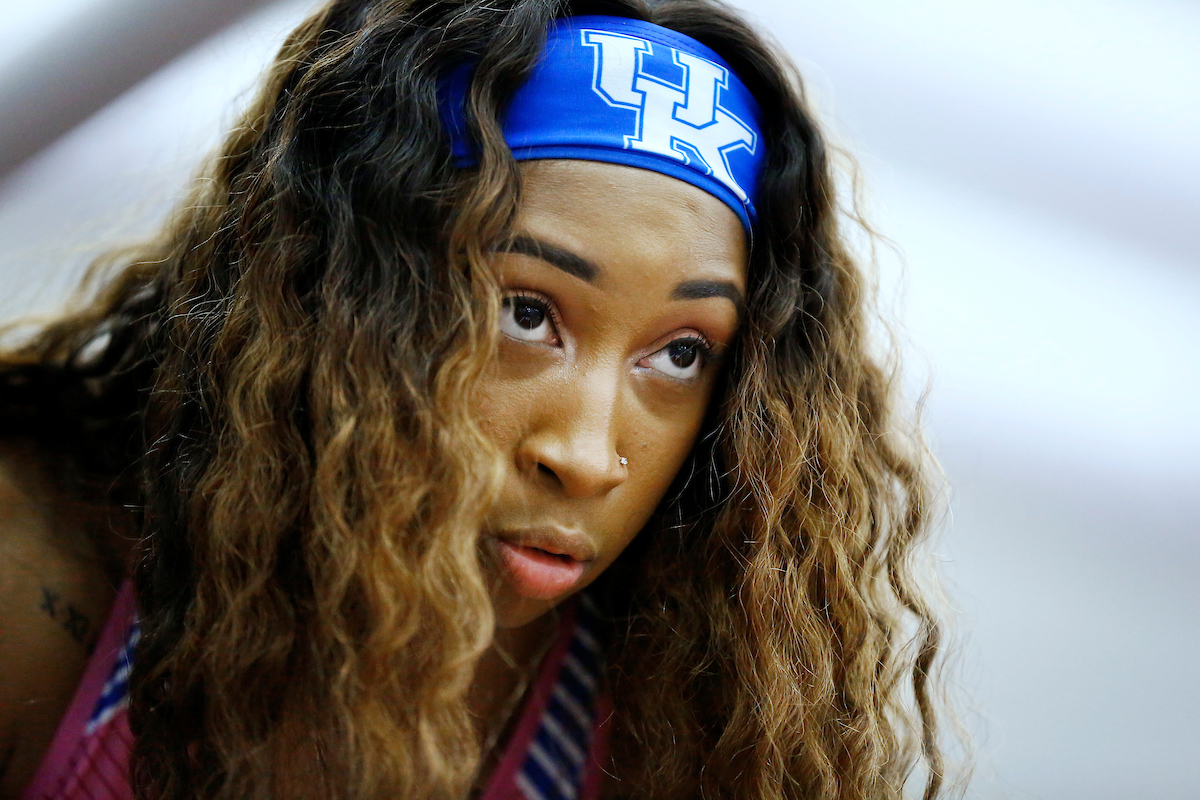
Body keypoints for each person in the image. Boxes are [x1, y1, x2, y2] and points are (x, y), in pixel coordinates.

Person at [0, 0, 953, 798]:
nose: (583, 456)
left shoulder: (674, 720)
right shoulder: (38, 585)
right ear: (333, 293)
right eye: (526, 312)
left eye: (679, 354)